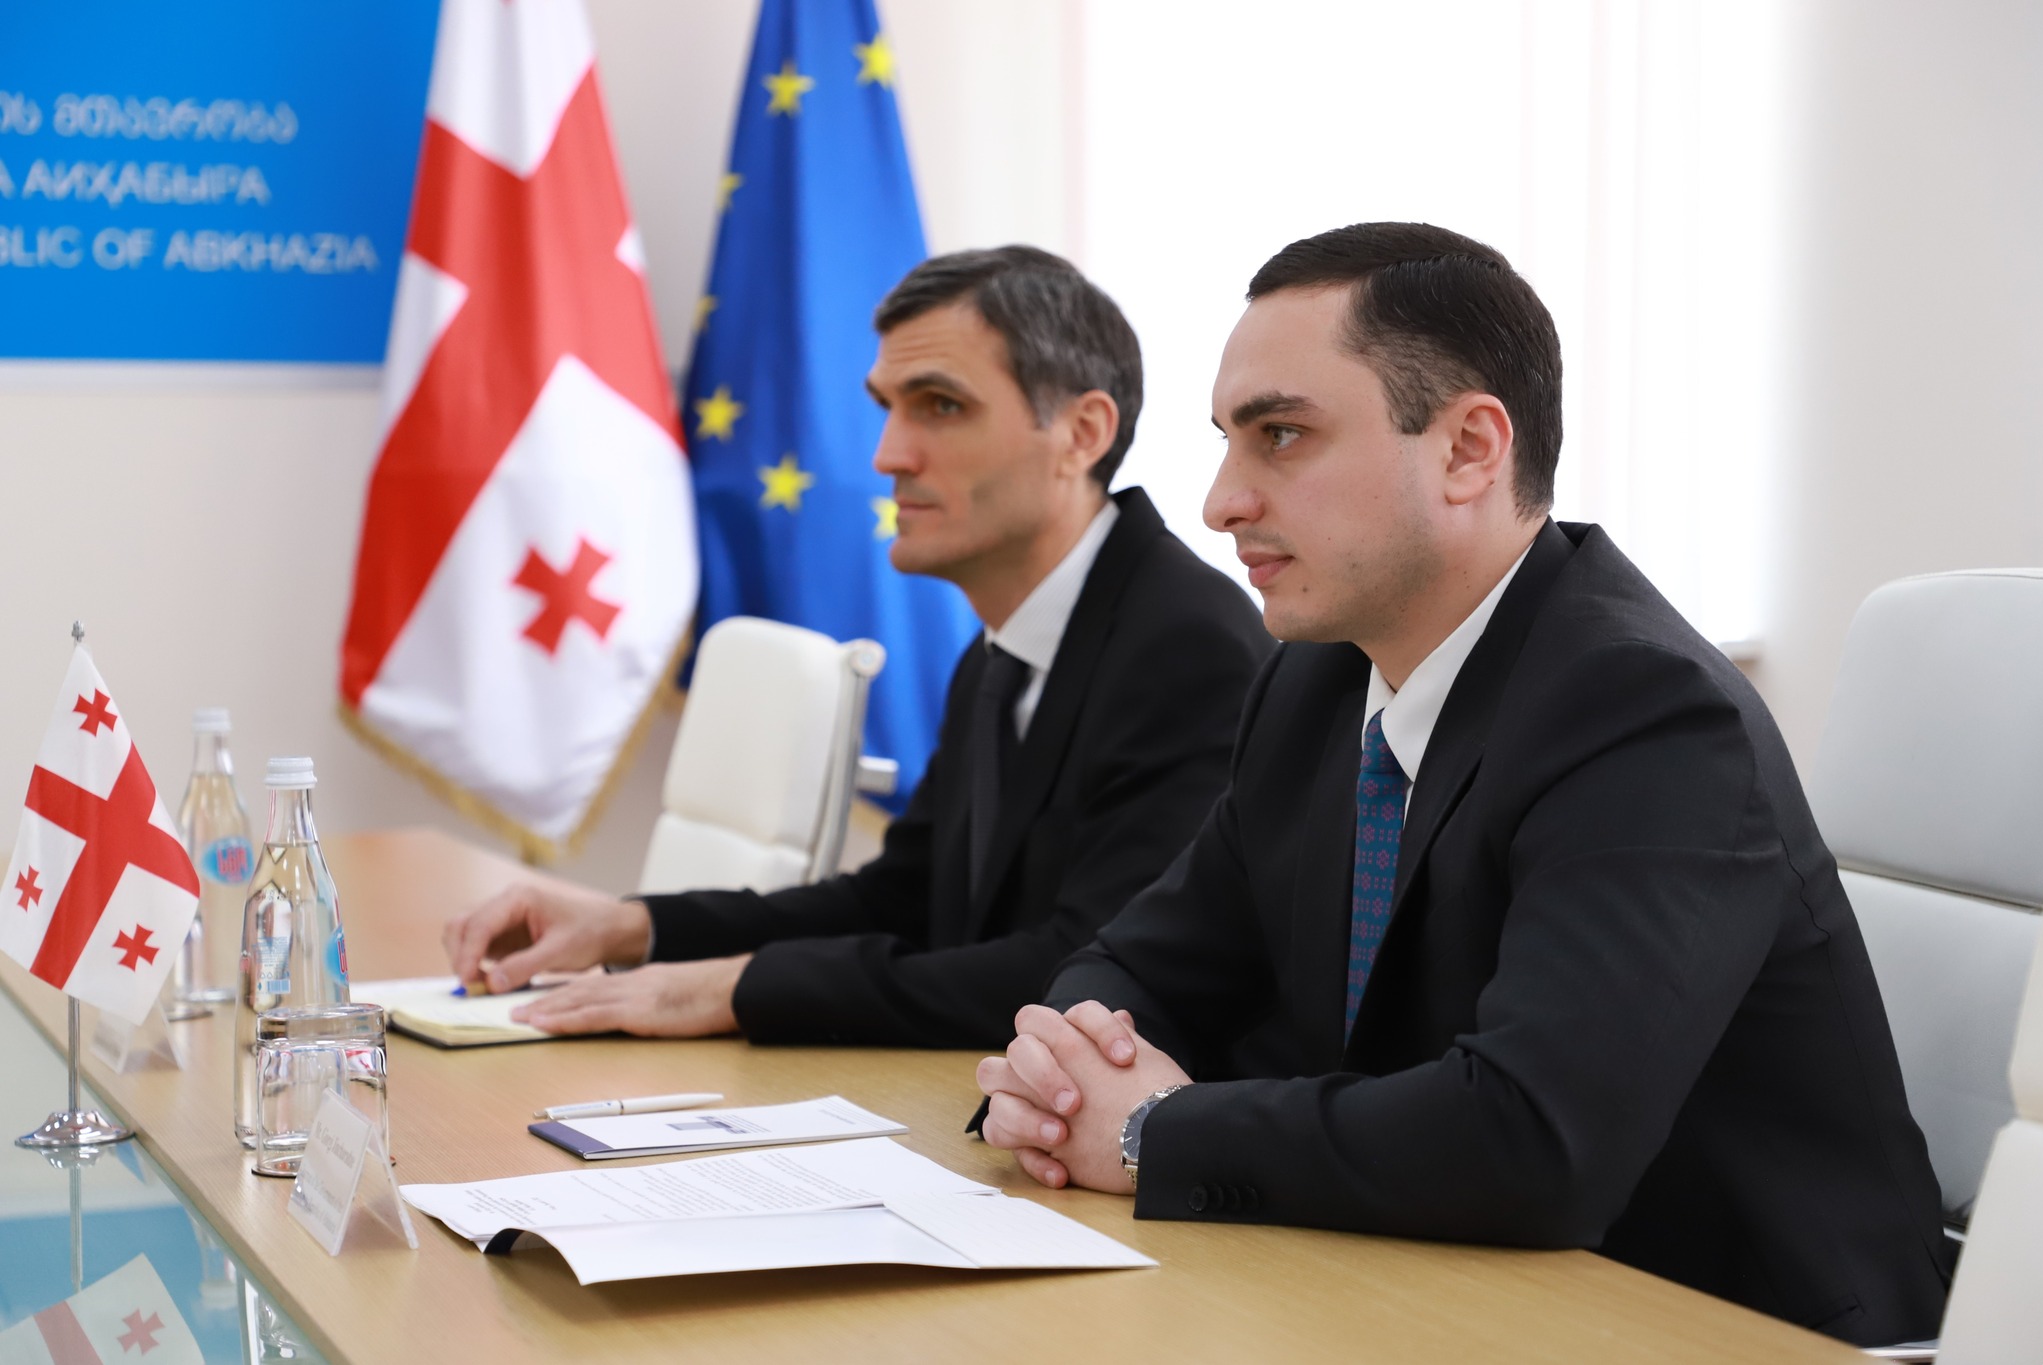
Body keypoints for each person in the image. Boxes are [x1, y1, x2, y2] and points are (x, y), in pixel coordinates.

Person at [973, 223, 1951, 1344]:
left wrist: (1152, 1130)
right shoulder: (1313, 684)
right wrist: (1065, 1075)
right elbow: (1140, 963)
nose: (1220, 502)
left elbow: (1533, 1138)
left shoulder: (1644, 712)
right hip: (1445, 1292)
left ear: (1469, 451)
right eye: (1227, 442)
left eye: (1280, 436)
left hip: (1729, 1328)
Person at [442, 246, 1272, 1048]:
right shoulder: (1006, 647)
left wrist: (734, 989)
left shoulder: (1185, 645)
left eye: (940, 405)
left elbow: (1091, 973)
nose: (887, 455)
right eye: (888, 407)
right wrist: (631, 925)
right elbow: (904, 898)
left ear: (1081, 433)